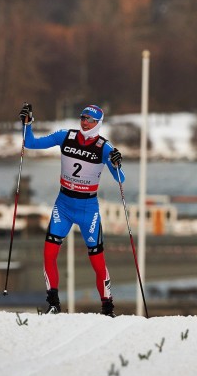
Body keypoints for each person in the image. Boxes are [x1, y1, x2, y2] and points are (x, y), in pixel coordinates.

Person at [19, 103, 124, 317]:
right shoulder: (65, 136)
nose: (84, 122)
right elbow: (30, 143)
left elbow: (120, 179)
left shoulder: (105, 147)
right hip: (64, 205)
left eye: (89, 119)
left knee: (97, 261)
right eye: (82, 117)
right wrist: (27, 124)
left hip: (88, 209)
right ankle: (53, 303)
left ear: (98, 124)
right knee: (49, 253)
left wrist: (116, 164)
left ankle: (108, 308)